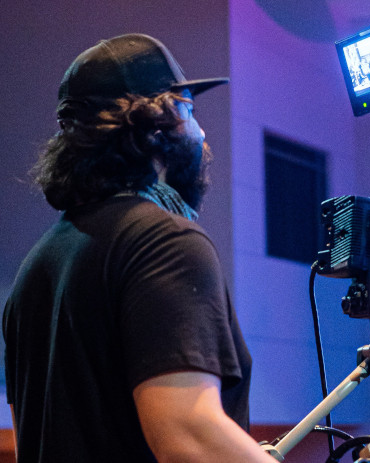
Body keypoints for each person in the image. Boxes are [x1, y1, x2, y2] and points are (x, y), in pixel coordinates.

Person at [2, 33, 276, 462]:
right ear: (157, 122)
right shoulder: (164, 244)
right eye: (189, 109)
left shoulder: (36, 268)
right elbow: (189, 436)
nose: (202, 131)